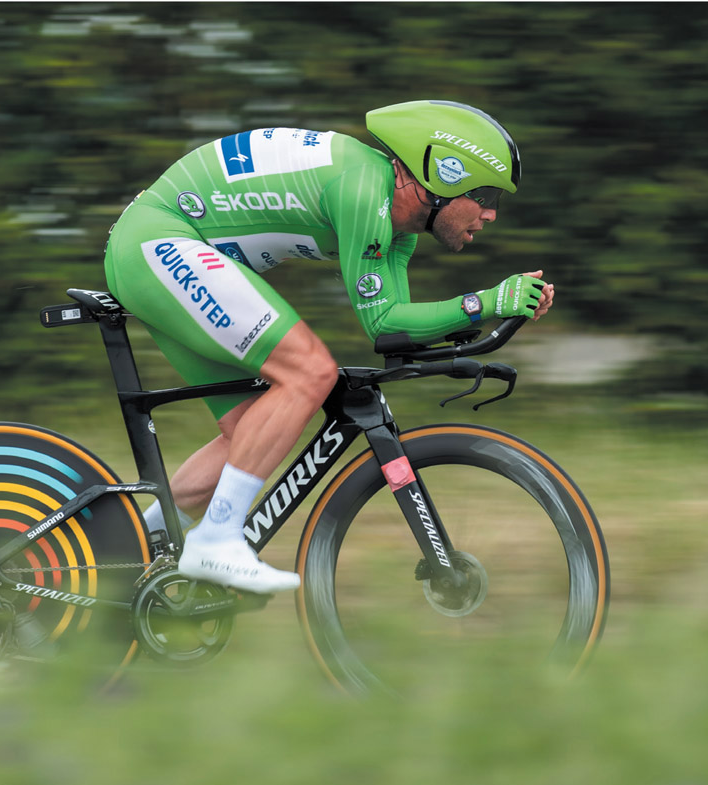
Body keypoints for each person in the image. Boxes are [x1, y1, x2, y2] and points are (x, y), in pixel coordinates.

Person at [103, 100, 554, 594]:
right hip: (161, 240)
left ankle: (117, 551)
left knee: (251, 432)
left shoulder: (395, 226)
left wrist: (489, 310)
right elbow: (384, 324)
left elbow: (388, 326)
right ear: (444, 176)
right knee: (311, 374)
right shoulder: (364, 191)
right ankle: (215, 539)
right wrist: (485, 300)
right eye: (485, 195)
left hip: (161, 247)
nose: (490, 213)